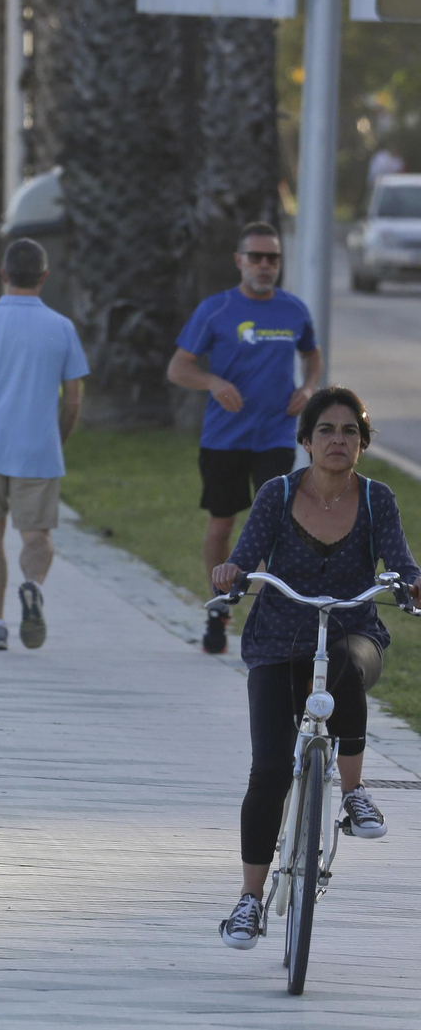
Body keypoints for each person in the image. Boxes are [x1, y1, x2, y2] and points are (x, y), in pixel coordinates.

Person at [212, 387, 421, 950]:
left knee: (348, 666)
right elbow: (248, 552)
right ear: (305, 441)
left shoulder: (378, 500)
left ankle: (353, 796)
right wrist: (232, 573)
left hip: (353, 629)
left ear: (362, 443)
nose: (337, 440)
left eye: (349, 431)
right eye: (326, 430)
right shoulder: (278, 495)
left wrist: (412, 585)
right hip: (278, 637)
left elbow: (400, 565)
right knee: (270, 771)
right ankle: (250, 900)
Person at [167, 221, 322, 654]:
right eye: (256, 256)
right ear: (239, 261)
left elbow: (312, 355)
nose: (265, 265)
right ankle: (219, 607)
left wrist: (308, 389)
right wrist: (213, 382)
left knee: (273, 530)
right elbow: (178, 368)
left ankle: (272, 620)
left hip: (275, 436)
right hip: (224, 439)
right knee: (222, 525)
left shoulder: (293, 310)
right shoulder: (216, 310)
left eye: (272, 257)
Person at [0, 238, 89, 651]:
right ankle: (33, 588)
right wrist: (57, 440)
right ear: (44, 278)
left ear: (4, 274)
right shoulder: (61, 327)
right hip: (39, 449)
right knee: (36, 536)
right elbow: (74, 398)